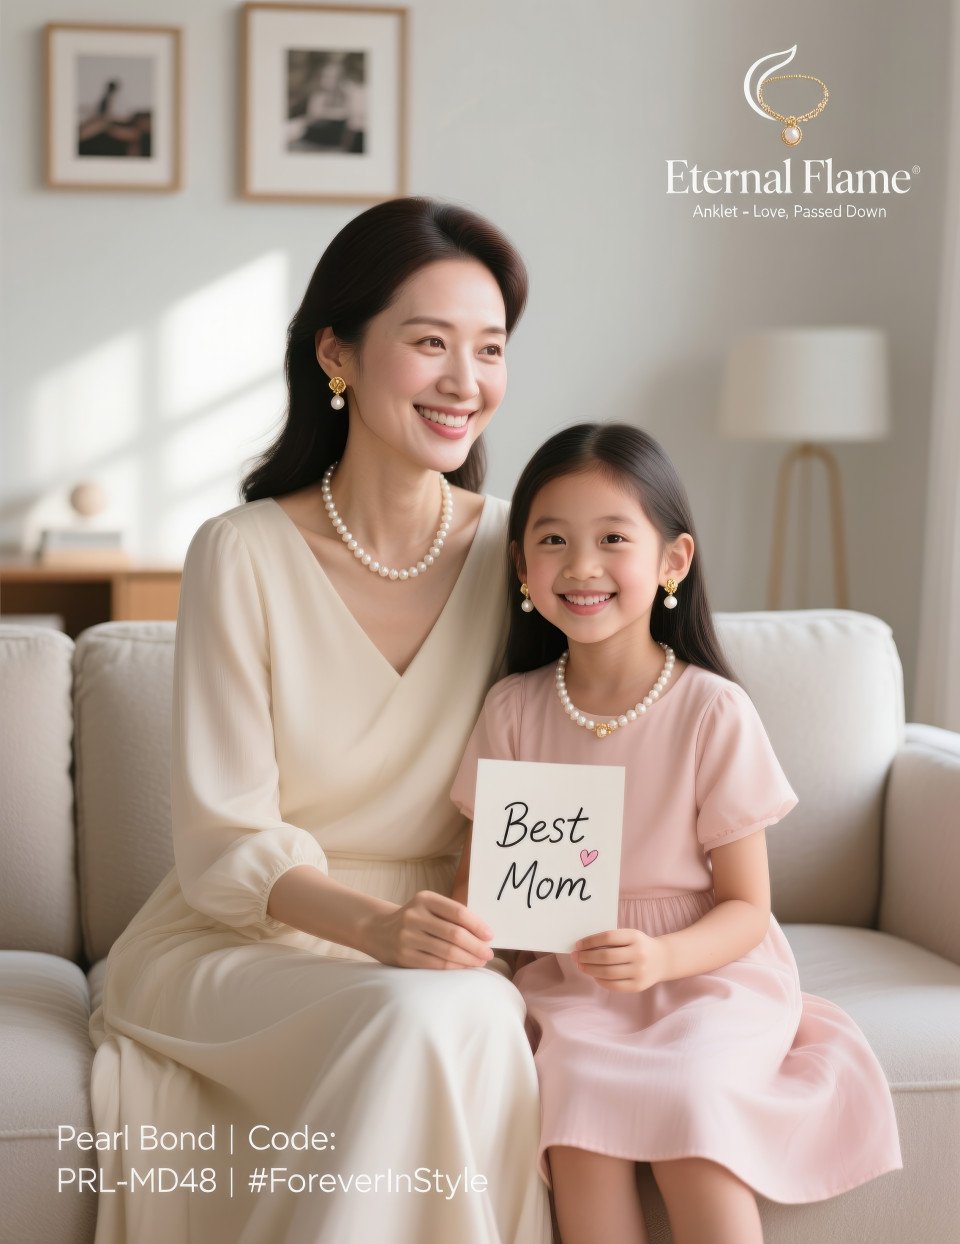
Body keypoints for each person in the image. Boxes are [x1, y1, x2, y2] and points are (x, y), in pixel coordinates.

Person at [87, 197, 551, 1244]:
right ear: (337, 352)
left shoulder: (528, 550)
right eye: (428, 342)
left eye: (489, 348)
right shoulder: (239, 551)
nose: (464, 381)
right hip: (249, 941)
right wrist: (376, 928)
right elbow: (221, 843)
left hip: (450, 940)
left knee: (455, 1011)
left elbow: (586, 744)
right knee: (427, 1016)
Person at [450, 423, 903, 1244]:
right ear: (522, 568)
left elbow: (746, 907)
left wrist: (661, 958)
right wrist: (464, 932)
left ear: (673, 561)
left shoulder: (710, 710)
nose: (581, 566)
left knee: (695, 1106)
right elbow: (485, 882)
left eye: (613, 539)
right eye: (552, 541)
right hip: (577, 981)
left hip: (709, 977)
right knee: (578, 1109)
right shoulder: (512, 710)